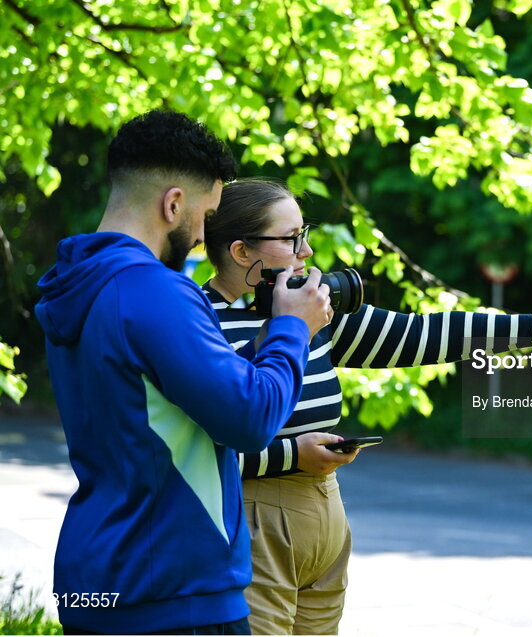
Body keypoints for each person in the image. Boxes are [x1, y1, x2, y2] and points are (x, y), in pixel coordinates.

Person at [202, 177, 532, 635]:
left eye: (306, 235)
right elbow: (196, 452)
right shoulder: (198, 324)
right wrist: (292, 455)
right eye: (291, 239)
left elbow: (421, 335)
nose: (307, 252)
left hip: (325, 516)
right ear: (241, 252)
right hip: (252, 523)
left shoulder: (304, 311)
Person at [34, 111, 335, 634]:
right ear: (173, 204)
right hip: (173, 592)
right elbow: (250, 419)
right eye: (205, 215)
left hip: (100, 580)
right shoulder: (153, 290)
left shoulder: (76, 284)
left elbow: (151, 415)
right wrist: (292, 328)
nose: (202, 236)